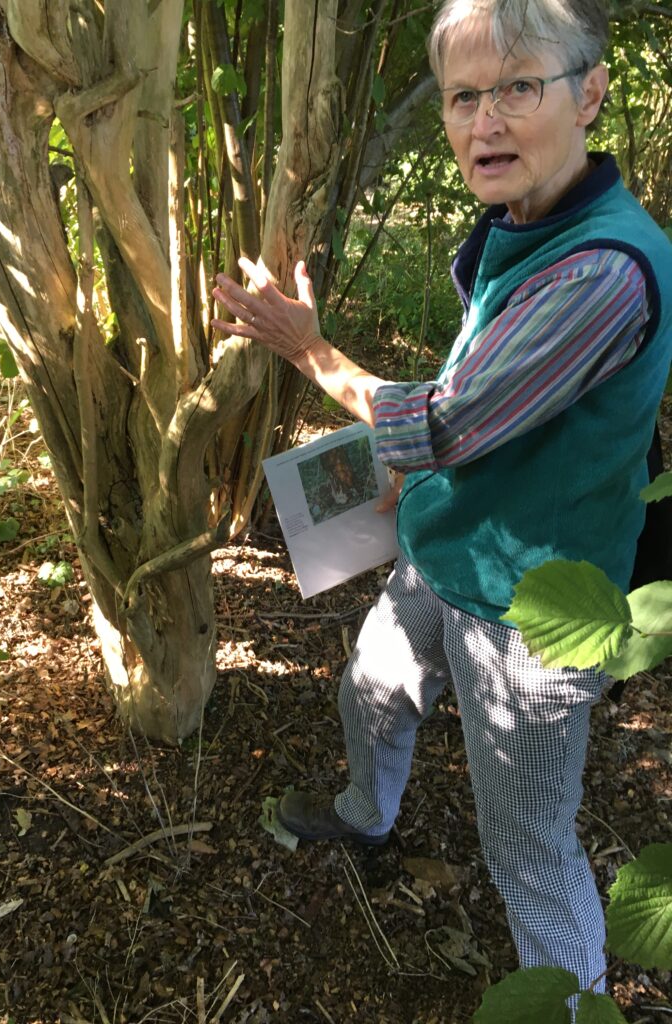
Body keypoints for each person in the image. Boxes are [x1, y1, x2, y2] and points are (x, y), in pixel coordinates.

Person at [211, 0, 672, 994]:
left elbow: (445, 422)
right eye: (464, 96)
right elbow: (485, 407)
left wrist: (305, 344)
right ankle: (368, 814)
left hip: (532, 612)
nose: (483, 122)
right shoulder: (532, 220)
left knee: (530, 851)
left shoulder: (600, 271)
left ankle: (574, 1008)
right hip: (451, 549)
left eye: (518, 87)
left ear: (590, 94)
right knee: (373, 685)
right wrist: (411, 477)